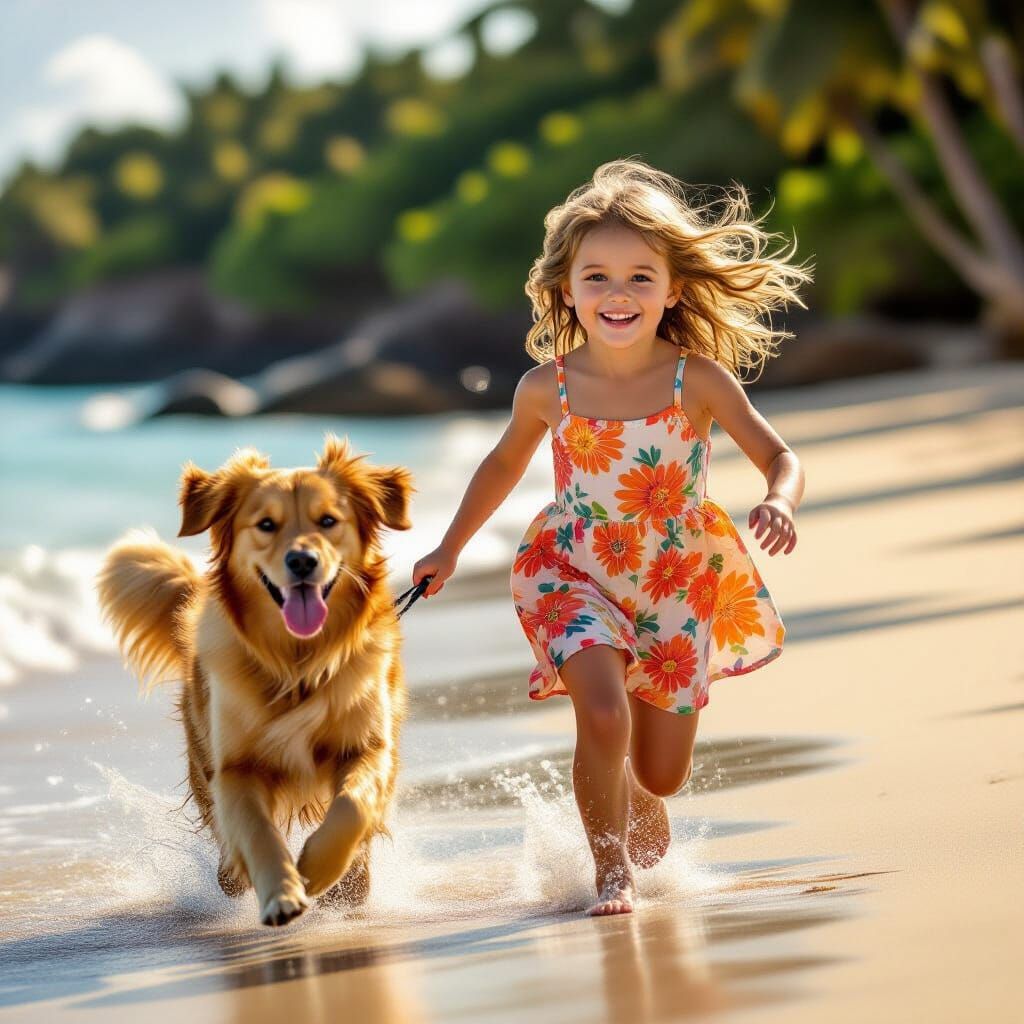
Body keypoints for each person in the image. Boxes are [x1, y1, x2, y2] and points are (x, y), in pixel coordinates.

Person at [412, 158, 811, 916]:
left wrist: (780, 499)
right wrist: (449, 548)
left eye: (638, 277)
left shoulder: (698, 380)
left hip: (676, 582)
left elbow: (779, 455)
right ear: (567, 290)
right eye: (596, 277)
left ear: (674, 288)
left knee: (660, 777)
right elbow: (501, 467)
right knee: (601, 711)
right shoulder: (547, 387)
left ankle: (626, 783)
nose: (617, 294)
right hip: (571, 569)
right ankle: (610, 873)